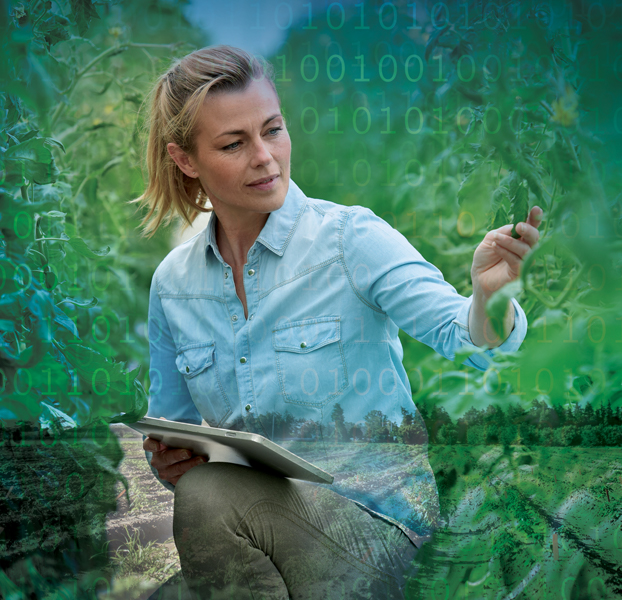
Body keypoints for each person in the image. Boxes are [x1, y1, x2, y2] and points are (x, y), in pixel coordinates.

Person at [132, 45, 542, 600]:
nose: (265, 156)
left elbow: (465, 336)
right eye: (234, 143)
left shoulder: (351, 238)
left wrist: (490, 298)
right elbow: (176, 445)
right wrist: (171, 457)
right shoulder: (173, 285)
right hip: (265, 532)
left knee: (208, 494)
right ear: (186, 160)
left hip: (384, 529)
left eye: (273, 130)